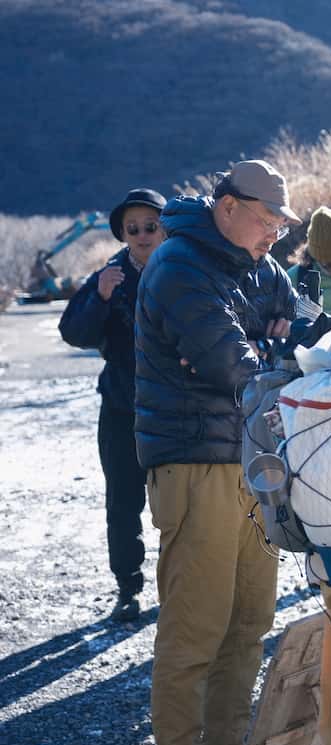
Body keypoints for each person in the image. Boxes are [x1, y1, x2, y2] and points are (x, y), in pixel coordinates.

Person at [136, 159, 300, 745]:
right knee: (196, 621)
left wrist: (276, 344)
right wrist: (272, 346)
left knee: (250, 617)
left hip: (253, 461)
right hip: (192, 460)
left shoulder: (262, 265)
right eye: (267, 222)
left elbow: (307, 330)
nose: (274, 237)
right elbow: (236, 365)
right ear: (227, 207)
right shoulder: (177, 266)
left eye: (281, 229)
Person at [58, 187, 166, 622]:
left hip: (176, 411)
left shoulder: (185, 270)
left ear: (165, 228)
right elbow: (73, 332)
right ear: (122, 234)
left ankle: (184, 587)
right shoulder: (111, 274)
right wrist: (100, 298)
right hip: (121, 408)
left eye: (150, 226)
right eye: (132, 228)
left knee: (180, 506)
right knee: (122, 503)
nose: (142, 235)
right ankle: (128, 588)